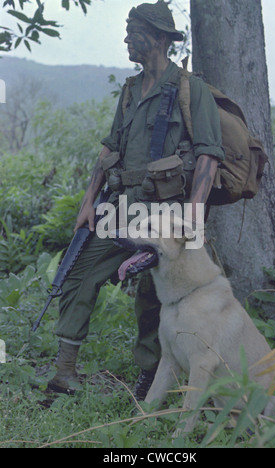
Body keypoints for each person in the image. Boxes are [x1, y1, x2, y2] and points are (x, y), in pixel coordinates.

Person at [47, 1, 225, 397]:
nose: (127, 38)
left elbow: (209, 155)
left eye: (134, 31)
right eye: (126, 31)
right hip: (121, 206)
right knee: (79, 271)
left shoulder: (190, 89)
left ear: (160, 38)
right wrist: (87, 203)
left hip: (166, 213)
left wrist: (192, 215)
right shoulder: (129, 91)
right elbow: (109, 150)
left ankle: (150, 379)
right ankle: (64, 372)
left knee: (153, 297)